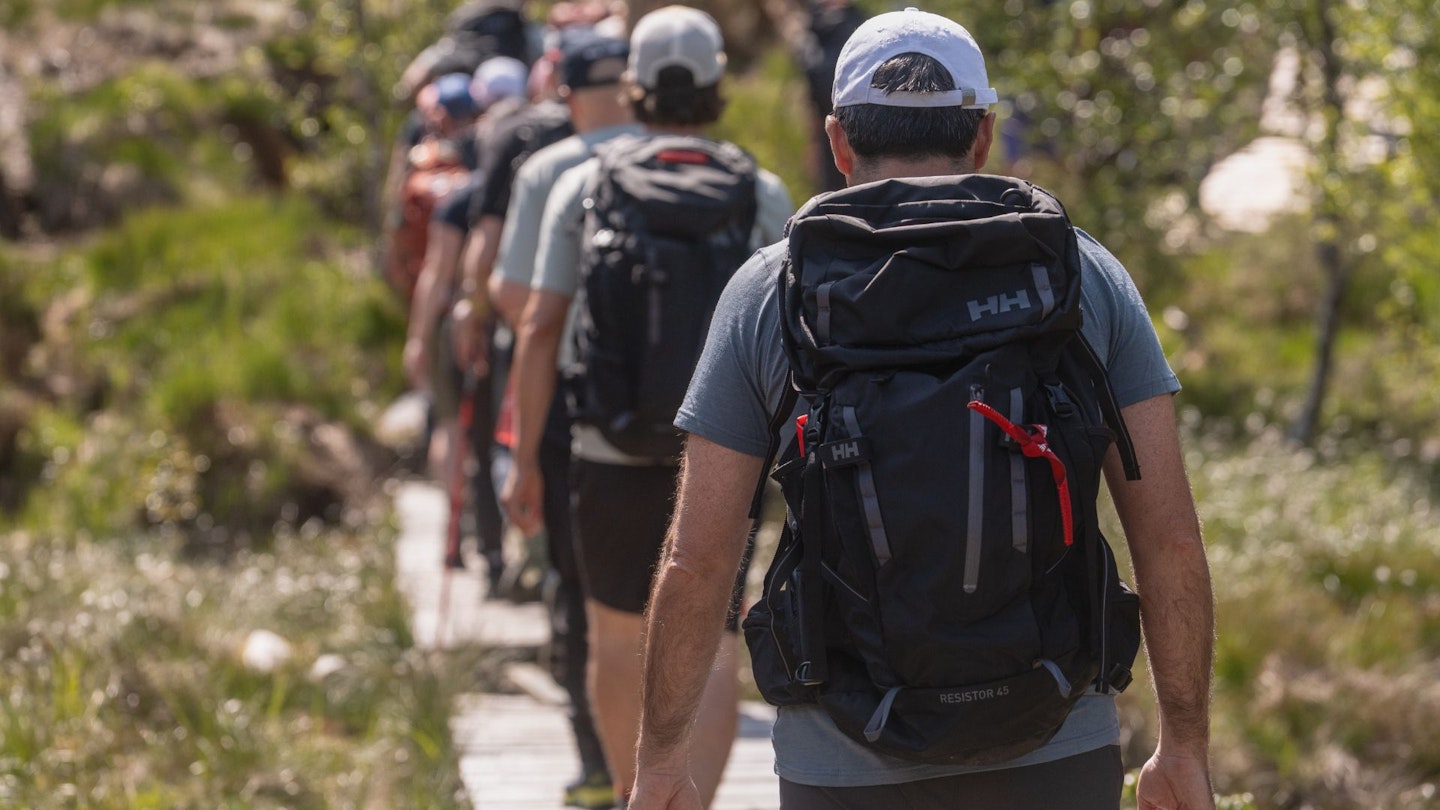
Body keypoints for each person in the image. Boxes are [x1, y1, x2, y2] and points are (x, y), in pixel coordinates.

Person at [630, 8, 1215, 810]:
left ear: (839, 143)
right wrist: (1184, 745)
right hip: (1056, 737)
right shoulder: (1081, 274)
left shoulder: (773, 290)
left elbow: (697, 561)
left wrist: (662, 761)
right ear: (983, 135)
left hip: (843, 753)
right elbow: (1171, 540)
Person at [500, 7, 794, 806]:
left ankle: (637, 791)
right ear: (717, 87)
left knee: (618, 631)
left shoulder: (584, 184)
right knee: (717, 633)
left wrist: (523, 457)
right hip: (726, 456)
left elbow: (538, 328)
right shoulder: (759, 191)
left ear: (633, 88)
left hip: (606, 446)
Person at [473, 34, 643, 810]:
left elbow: (520, 304)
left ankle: (601, 765)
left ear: (567, 97)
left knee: (582, 594)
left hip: (582, 412)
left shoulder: (551, 170)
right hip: (695, 413)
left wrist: (523, 461)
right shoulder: (704, 166)